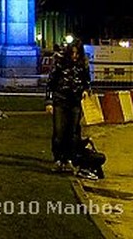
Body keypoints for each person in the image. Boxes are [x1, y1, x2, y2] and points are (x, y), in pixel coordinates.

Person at [46, 39, 92, 176]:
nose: (74, 56)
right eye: (72, 53)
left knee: (73, 132)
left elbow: (87, 80)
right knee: (59, 132)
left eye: (76, 54)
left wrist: (86, 89)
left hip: (75, 101)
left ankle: (70, 159)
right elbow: (51, 82)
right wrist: (49, 101)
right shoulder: (60, 63)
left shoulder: (83, 63)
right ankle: (59, 159)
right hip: (60, 100)